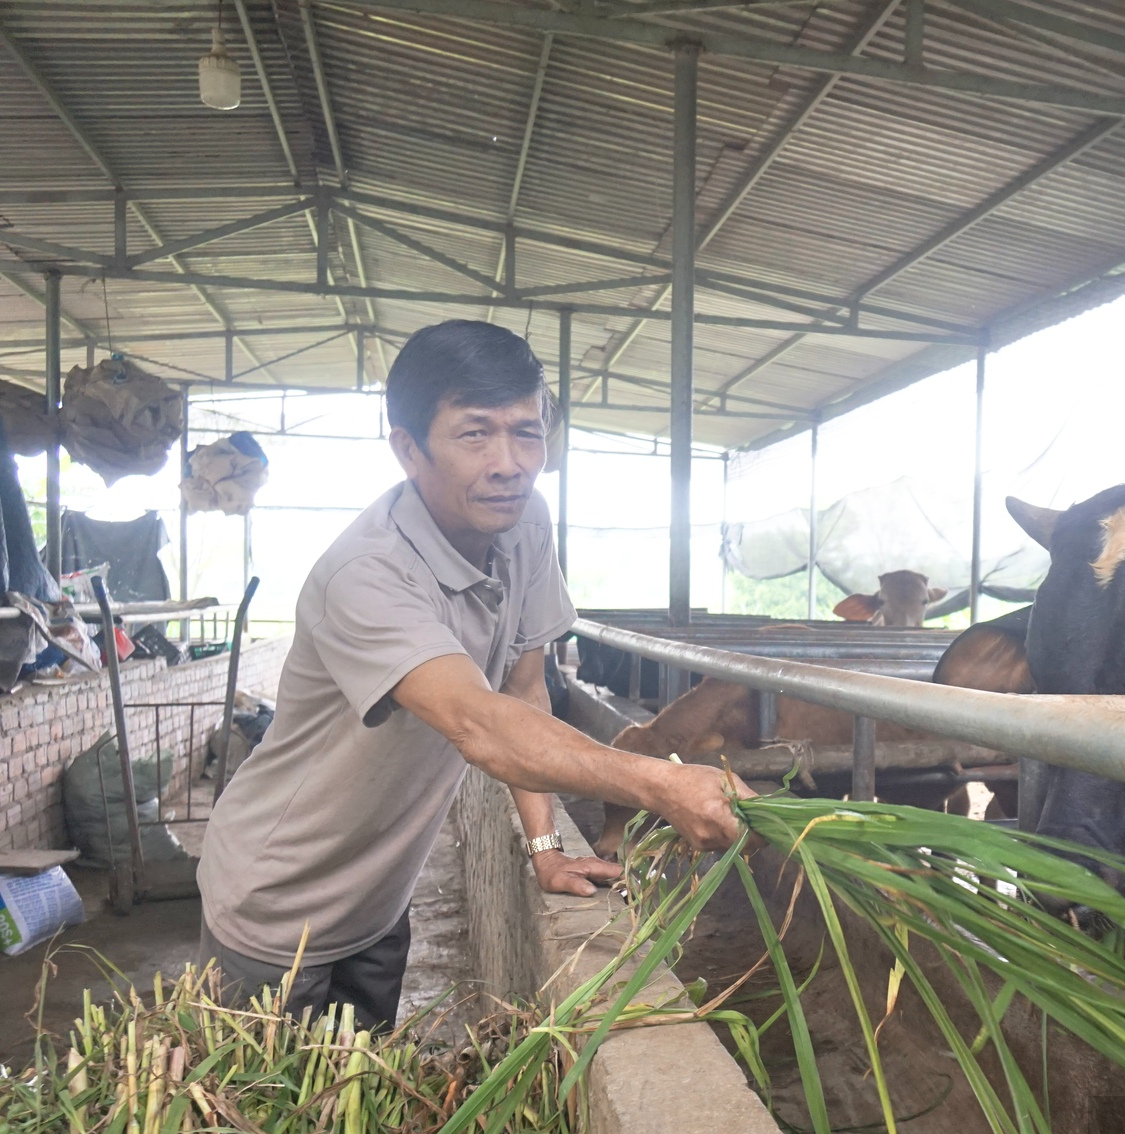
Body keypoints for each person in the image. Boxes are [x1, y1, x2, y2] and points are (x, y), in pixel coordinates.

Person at [196, 320, 751, 1029]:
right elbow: (477, 720)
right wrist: (665, 783)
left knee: (361, 1105)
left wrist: (546, 848)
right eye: (474, 434)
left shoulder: (524, 525)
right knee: (273, 1123)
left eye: (527, 431)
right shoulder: (367, 573)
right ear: (408, 448)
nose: (509, 461)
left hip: (378, 904)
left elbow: (524, 692)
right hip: (274, 911)